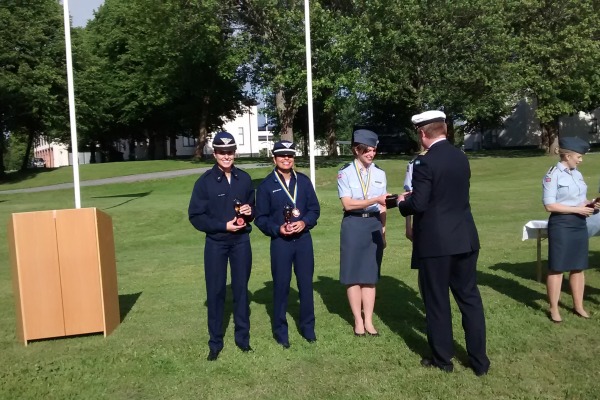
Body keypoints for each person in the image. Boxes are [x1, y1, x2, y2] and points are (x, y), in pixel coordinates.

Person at [397, 111, 490, 376]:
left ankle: (443, 358)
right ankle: (479, 361)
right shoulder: (461, 157)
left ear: (423, 134)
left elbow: (419, 203)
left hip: (436, 243)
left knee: (437, 301)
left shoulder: (424, 163)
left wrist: (401, 202)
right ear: (445, 130)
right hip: (465, 237)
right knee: (470, 299)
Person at [188, 131, 255, 361]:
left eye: (230, 152)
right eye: (221, 152)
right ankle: (215, 343)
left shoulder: (244, 179)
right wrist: (222, 225)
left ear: (234, 153)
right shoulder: (204, 182)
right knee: (215, 292)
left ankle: (242, 339)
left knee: (241, 290)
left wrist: (249, 211)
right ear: (214, 153)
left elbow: (252, 209)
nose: (226, 156)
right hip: (216, 243)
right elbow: (196, 216)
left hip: (241, 243)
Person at [255, 140, 321, 348]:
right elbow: (260, 218)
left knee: (305, 285)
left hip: (303, 241)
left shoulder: (303, 181)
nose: (286, 159)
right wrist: (277, 229)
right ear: (274, 158)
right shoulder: (266, 185)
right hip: (281, 243)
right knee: (281, 286)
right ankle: (281, 331)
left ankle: (308, 328)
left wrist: (304, 222)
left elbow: (314, 209)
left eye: (290, 155)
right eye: (282, 155)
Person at [337, 129, 389, 337]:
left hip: (373, 225)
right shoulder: (345, 172)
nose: (370, 154)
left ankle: (368, 319)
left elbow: (384, 205)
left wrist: (383, 231)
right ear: (355, 150)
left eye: (373, 150)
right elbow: (348, 204)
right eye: (366, 150)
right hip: (354, 224)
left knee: (370, 275)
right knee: (353, 275)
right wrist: (374, 200)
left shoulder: (380, 173)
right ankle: (357, 320)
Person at [542, 136, 597, 323]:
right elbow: (549, 205)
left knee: (578, 267)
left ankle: (578, 305)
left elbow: (579, 199)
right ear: (567, 156)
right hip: (562, 225)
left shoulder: (577, 174)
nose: (580, 160)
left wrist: (590, 204)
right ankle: (554, 308)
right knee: (557, 268)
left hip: (579, 223)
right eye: (579, 157)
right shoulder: (552, 175)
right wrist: (578, 209)